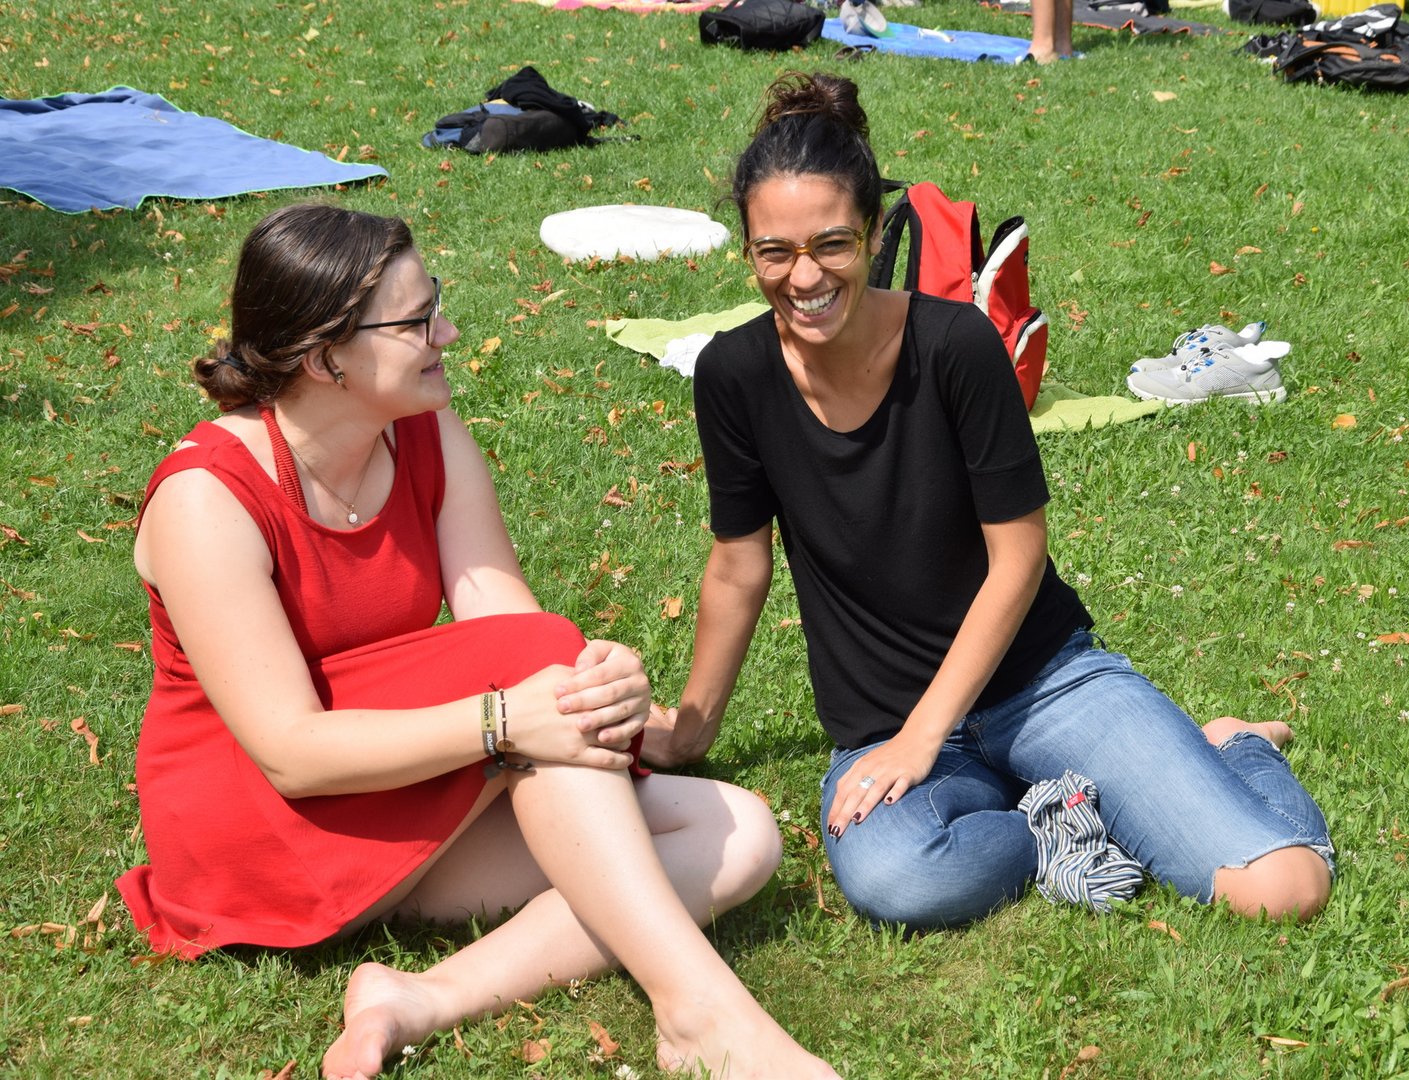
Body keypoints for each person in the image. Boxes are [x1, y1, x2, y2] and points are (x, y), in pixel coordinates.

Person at [116, 204, 838, 1080]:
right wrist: (505, 719)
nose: (447, 333)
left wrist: (594, 686)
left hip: (384, 783)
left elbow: (506, 624)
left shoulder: (423, 430)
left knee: (740, 835)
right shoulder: (206, 498)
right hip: (254, 828)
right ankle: (700, 1014)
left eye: (437, 304)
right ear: (325, 358)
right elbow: (289, 751)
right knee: (540, 677)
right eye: (417, 321)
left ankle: (418, 999)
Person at [643, 72, 1333, 931]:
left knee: (1282, 888)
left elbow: (1018, 556)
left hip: (1041, 682)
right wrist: (690, 731)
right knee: (899, 878)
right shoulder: (734, 374)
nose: (804, 276)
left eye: (832, 244)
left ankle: (1234, 748)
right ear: (748, 251)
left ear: (874, 232)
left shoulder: (955, 344)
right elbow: (738, 565)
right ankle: (1061, 813)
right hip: (884, 720)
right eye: (773, 252)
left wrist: (926, 734)